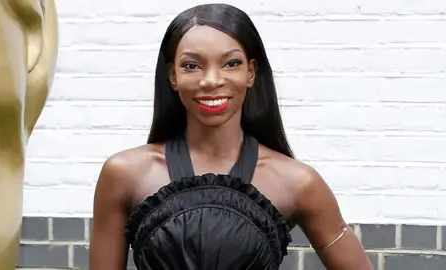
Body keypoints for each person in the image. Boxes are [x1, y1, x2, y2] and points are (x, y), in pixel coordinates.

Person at [89, 3, 373, 270]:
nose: (211, 80)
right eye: (191, 65)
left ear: (250, 72)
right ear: (172, 76)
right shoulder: (125, 174)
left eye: (230, 63)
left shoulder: (297, 182)